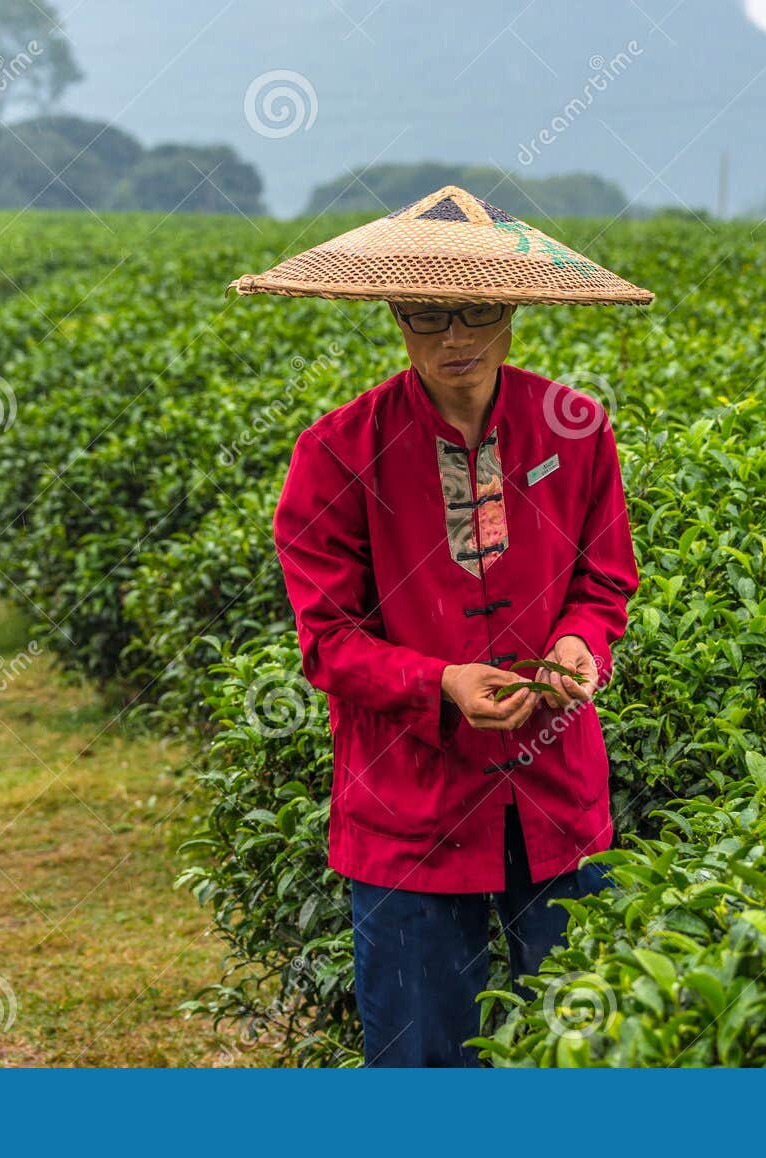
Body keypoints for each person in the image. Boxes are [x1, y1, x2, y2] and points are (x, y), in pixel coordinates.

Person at [271, 295, 640, 1066]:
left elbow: (604, 582)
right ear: (396, 320)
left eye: (475, 313)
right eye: (426, 317)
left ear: (511, 312)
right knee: (422, 1062)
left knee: (588, 1052)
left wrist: (580, 642)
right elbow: (328, 641)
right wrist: (439, 682)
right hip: (410, 806)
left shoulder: (574, 426)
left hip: (556, 792)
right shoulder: (337, 450)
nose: (455, 338)